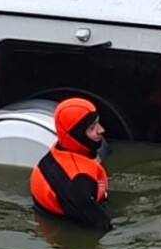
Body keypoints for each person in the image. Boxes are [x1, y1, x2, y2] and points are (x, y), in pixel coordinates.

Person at [30, 96, 112, 233]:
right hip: (67, 224)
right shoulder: (78, 181)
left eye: (97, 123)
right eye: (92, 128)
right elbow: (100, 225)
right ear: (76, 134)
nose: (101, 130)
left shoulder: (58, 152)